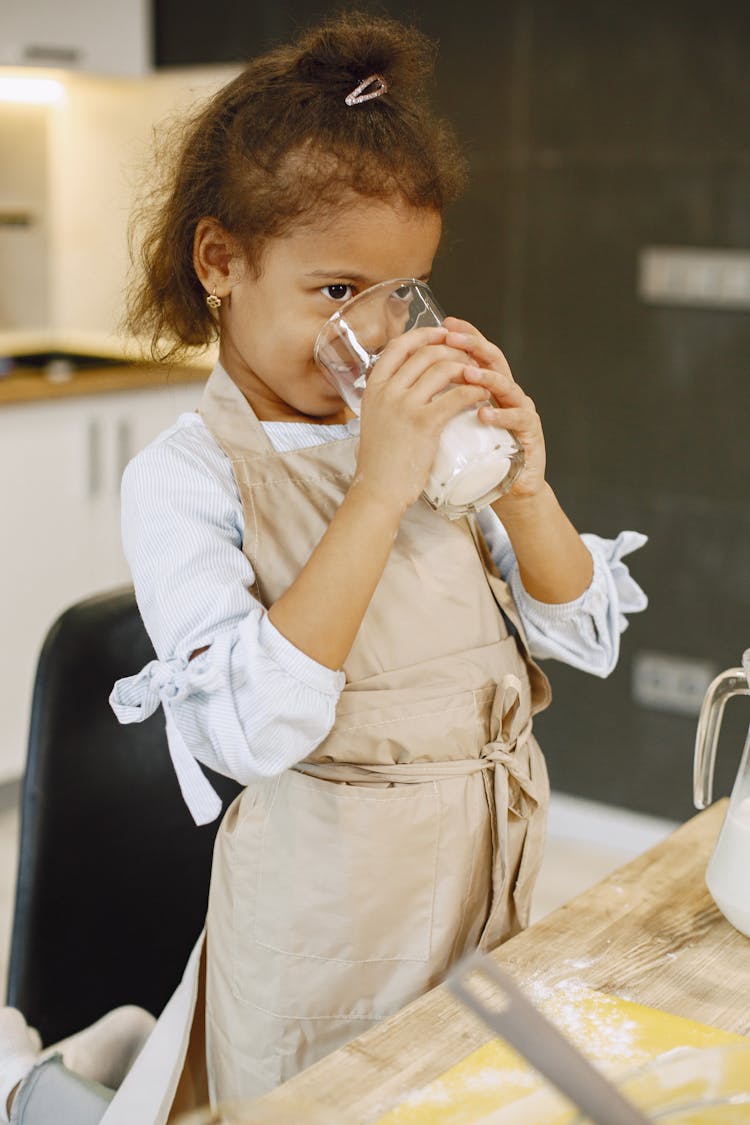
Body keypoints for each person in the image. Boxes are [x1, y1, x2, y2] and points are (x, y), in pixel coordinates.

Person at [1, 11, 647, 1123]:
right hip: (328, 942)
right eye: (337, 292)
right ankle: (51, 1080)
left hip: (479, 900)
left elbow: (580, 634)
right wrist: (379, 489)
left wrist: (526, 488)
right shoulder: (189, 480)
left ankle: (105, 1064)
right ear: (221, 263)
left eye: (404, 292)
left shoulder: (405, 442)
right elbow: (252, 729)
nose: (381, 330)